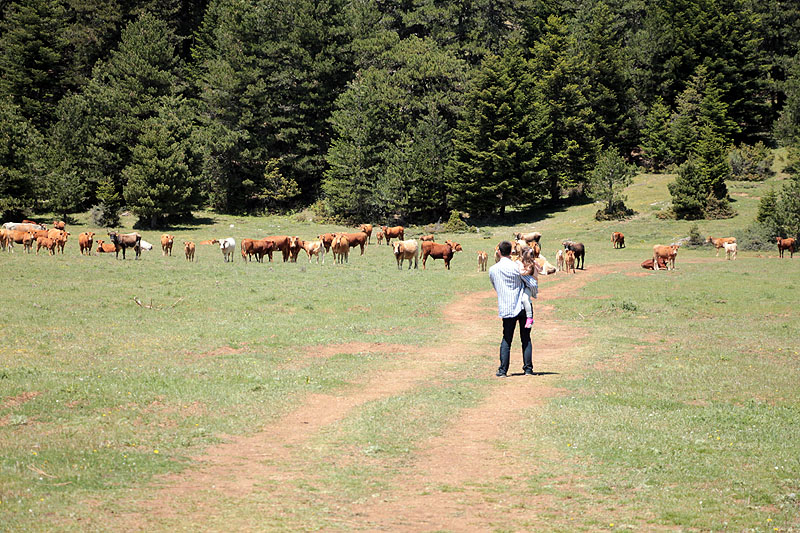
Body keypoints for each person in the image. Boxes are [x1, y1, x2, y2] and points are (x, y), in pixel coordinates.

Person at [489, 241, 538, 378]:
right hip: (523, 306)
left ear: (499, 251)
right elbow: (531, 282)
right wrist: (533, 293)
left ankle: (503, 370)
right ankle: (528, 369)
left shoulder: (493, 269)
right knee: (526, 338)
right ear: (511, 252)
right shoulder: (517, 266)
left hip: (507, 307)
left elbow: (495, 286)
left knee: (507, 339)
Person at [517, 246, 540, 328]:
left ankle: (529, 318)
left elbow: (522, 272)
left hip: (530, 285)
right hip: (525, 285)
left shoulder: (533, 263)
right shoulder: (521, 262)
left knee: (525, 299)